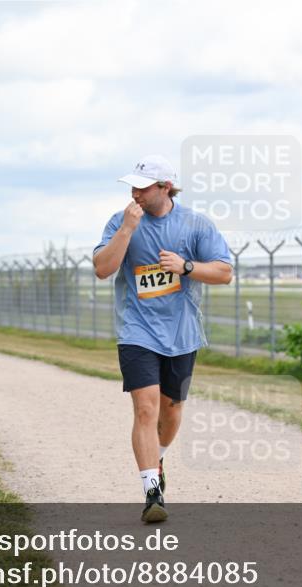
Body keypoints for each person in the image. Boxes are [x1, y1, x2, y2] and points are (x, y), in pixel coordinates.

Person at [93, 155, 233, 523]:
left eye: (142, 187)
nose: (135, 194)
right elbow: (102, 269)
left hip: (182, 332)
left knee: (171, 410)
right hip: (136, 330)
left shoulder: (195, 224)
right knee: (146, 408)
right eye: (132, 187)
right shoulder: (120, 221)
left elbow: (224, 272)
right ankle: (152, 492)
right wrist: (126, 231)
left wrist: (186, 266)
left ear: (165, 188)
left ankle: (157, 458)